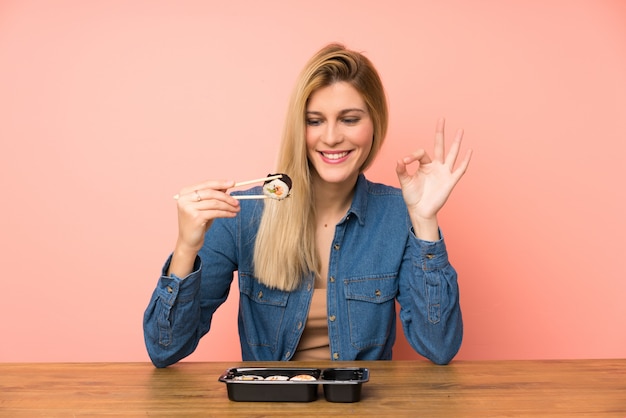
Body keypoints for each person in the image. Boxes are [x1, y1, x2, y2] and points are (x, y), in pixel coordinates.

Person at [143, 43, 472, 368]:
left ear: (375, 123)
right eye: (314, 121)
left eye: (349, 119)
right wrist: (186, 246)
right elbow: (165, 348)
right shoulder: (241, 215)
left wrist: (426, 222)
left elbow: (439, 347)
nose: (330, 137)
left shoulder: (398, 215)